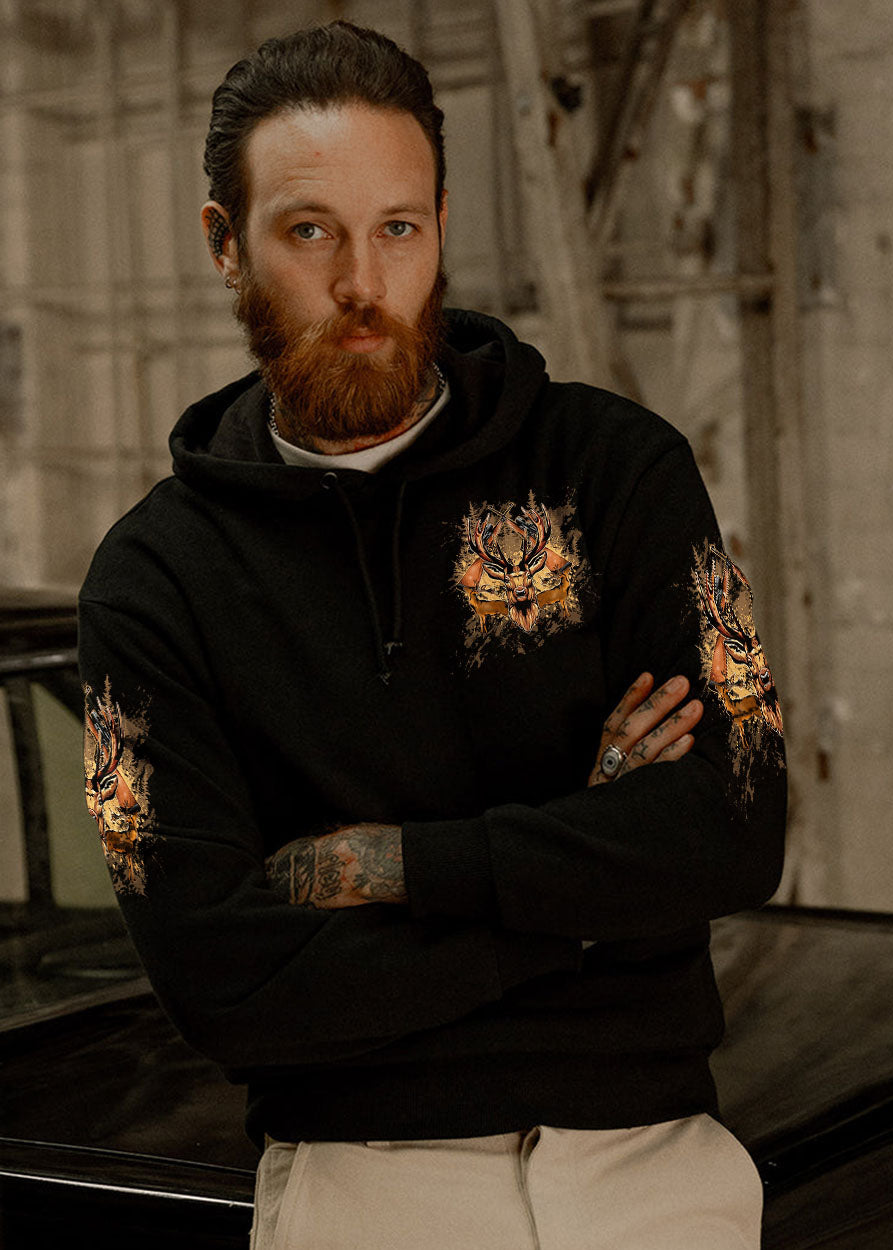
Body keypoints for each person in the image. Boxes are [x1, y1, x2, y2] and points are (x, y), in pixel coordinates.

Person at [79, 20, 787, 1250]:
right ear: (224, 241)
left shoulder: (617, 470)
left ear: (442, 226)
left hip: (654, 1169)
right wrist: (586, 885)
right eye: (310, 231)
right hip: (363, 1184)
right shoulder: (151, 585)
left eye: (398, 227)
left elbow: (736, 822)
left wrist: (397, 863)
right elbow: (224, 987)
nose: (364, 281)